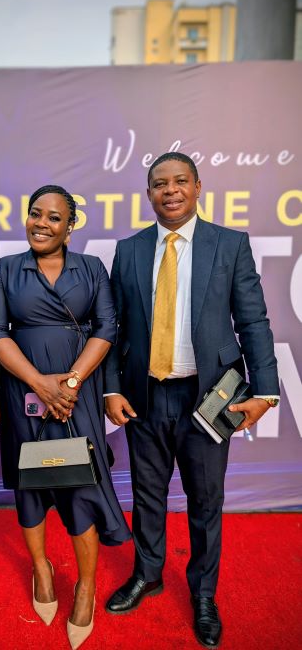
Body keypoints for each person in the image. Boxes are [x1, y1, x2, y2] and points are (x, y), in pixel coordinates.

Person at [104, 152, 279, 648]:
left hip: (209, 398)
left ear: (198, 187)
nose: (171, 190)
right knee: (147, 494)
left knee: (206, 500)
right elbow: (114, 328)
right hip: (145, 394)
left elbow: (253, 321)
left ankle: (204, 594)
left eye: (180, 181)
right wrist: (112, 387)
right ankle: (148, 574)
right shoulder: (130, 250)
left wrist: (265, 391)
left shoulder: (230, 244)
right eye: (160, 184)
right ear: (149, 194)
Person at [0, 185, 131, 649]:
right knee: (31, 482)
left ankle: (86, 586)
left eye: (53, 217)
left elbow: (107, 327)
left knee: (81, 483)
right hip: (23, 392)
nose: (41, 223)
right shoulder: (7, 269)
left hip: (78, 393)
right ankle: (41, 569)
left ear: (70, 226)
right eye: (35, 213)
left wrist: (70, 383)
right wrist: (39, 384)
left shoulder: (91, 268)